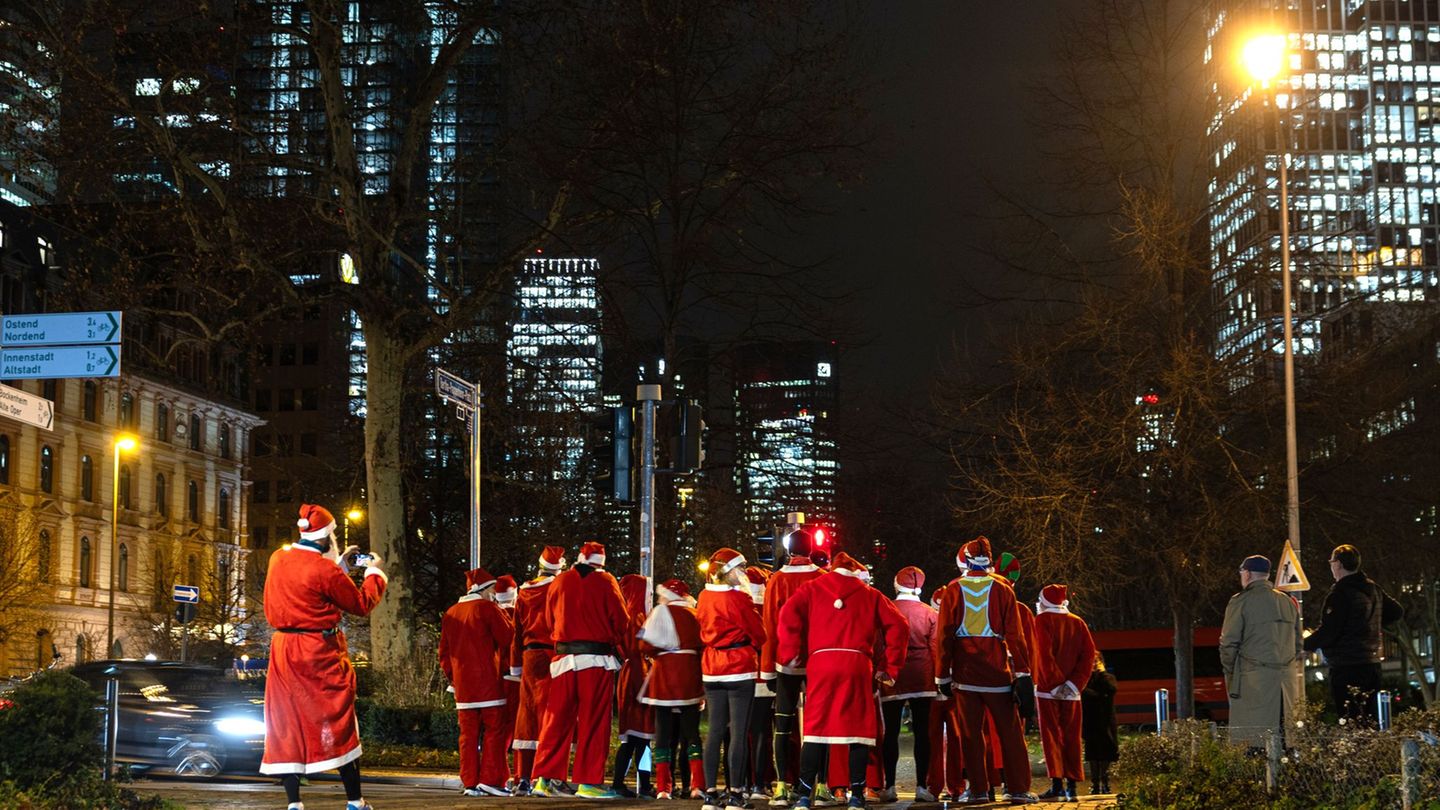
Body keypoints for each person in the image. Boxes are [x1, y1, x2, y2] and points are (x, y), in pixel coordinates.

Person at [260, 503, 388, 810]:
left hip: (283, 650)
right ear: (327, 537)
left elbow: (308, 585)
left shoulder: (278, 558)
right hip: (318, 651)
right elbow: (360, 602)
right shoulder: (324, 570)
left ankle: (294, 803)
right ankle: (355, 801)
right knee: (338, 716)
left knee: (285, 722)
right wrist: (374, 572)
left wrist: (339, 565)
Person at [776, 553, 908, 810]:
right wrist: (890, 667)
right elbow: (899, 626)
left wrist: (791, 652)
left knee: (816, 731)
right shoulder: (871, 594)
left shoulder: (812, 588)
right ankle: (857, 796)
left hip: (821, 664)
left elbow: (787, 614)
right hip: (857, 664)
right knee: (857, 731)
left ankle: (805, 796)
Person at [934, 537, 1036, 805]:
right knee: (1010, 733)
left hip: (965, 674)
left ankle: (978, 790)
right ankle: (1017, 789)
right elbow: (1016, 635)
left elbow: (944, 635)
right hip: (997, 672)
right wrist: (1023, 672)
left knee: (971, 735)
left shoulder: (953, 590)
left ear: (965, 560)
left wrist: (941, 674)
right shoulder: (1003, 589)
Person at [532, 542, 634, 798]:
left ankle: (544, 779)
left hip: (564, 660)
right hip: (596, 660)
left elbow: (547, 619)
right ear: (601, 561)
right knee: (594, 722)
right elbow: (621, 620)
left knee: (556, 721)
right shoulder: (606, 581)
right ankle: (588, 782)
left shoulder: (560, 581)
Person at [1302, 544, 1404, 723]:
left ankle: (1357, 751)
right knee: (1370, 718)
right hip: (1372, 665)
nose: (1331, 566)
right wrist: (1370, 623)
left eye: (1331, 562)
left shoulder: (1340, 593)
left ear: (1338, 564)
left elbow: (1330, 631)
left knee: (1350, 719)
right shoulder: (1372, 588)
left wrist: (1303, 645)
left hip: (1347, 666)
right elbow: (1396, 612)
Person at [699, 548, 768, 810]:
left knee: (714, 731)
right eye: (741, 569)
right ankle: (736, 794)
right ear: (730, 572)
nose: (744, 573)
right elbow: (759, 634)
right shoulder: (739, 599)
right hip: (738, 665)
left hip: (711, 667)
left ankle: (710, 793)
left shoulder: (703, 596)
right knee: (739, 732)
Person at [762, 527, 826, 807]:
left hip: (785, 660)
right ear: (812, 549)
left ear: (788, 550)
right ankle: (821, 785)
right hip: (817, 659)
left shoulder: (776, 580)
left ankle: (781, 785)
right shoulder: (822, 578)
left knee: (783, 725)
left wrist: (767, 668)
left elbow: (768, 623)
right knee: (820, 725)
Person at [438, 566, 515, 796]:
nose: (493, 592)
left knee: (468, 735)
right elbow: (507, 636)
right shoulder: (487, 608)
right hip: (488, 682)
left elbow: (443, 653)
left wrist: (455, 678)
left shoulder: (451, 612)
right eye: (491, 588)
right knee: (495, 730)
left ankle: (470, 782)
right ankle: (491, 780)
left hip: (464, 687)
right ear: (483, 589)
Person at [1219, 555, 1303, 748]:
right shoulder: (1287, 602)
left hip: (1252, 682)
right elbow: (1298, 644)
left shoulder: (1240, 602)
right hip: (1285, 685)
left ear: (1247, 574)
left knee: (1254, 740)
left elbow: (1228, 643)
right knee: (1285, 737)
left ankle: (1261, 776)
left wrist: (1231, 671)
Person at [640, 578, 707, 800]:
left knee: (663, 735)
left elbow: (645, 644)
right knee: (692, 734)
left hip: (665, 676)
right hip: (689, 674)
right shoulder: (695, 614)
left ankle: (663, 787)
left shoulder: (660, 613)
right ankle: (698, 784)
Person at [1031, 584, 1096, 803]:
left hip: (1049, 691)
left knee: (1051, 737)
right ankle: (1072, 786)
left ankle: (1057, 785)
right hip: (1072, 693)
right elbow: (1088, 655)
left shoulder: (1042, 621)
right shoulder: (1078, 622)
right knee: (1072, 737)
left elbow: (1044, 655)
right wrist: (1074, 684)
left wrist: (1055, 684)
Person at [878, 566, 936, 803]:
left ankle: (889, 785)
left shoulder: (887, 609)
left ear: (896, 584)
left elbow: (879, 643)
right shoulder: (930, 612)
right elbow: (935, 648)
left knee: (890, 732)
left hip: (894, 673)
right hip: (922, 673)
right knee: (923, 733)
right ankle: (922, 785)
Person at [512, 546, 566, 795]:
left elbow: (516, 630)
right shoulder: (558, 588)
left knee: (527, 715)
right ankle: (545, 776)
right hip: (552, 652)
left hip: (528, 654)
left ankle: (522, 776)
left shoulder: (523, 591)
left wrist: (515, 664)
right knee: (551, 716)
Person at [613, 573, 656, 798]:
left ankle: (622, 782)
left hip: (631, 677)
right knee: (642, 738)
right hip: (638, 678)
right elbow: (641, 651)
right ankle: (643, 784)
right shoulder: (637, 617)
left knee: (633, 739)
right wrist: (645, 689)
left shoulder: (629, 615)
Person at [744, 567, 777, 802]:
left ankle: (742, 782)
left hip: (738, 675)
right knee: (762, 733)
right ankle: (760, 782)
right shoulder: (768, 609)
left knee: (739, 733)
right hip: (763, 677)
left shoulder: (739, 604)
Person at [494, 574, 521, 789]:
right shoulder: (518, 615)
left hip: (495, 679)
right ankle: (521, 776)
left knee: (499, 731)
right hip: (516, 679)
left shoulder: (491, 614)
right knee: (519, 728)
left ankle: (497, 775)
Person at [1080, 653, 1118, 796]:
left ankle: (1105, 782)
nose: (1094, 664)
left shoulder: (1107, 677)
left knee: (1107, 752)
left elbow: (1111, 689)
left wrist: (1101, 672)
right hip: (1091, 720)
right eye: (1091, 661)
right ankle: (1095, 784)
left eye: (1096, 661)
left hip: (1106, 720)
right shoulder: (1086, 679)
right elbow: (1087, 694)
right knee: (1093, 754)